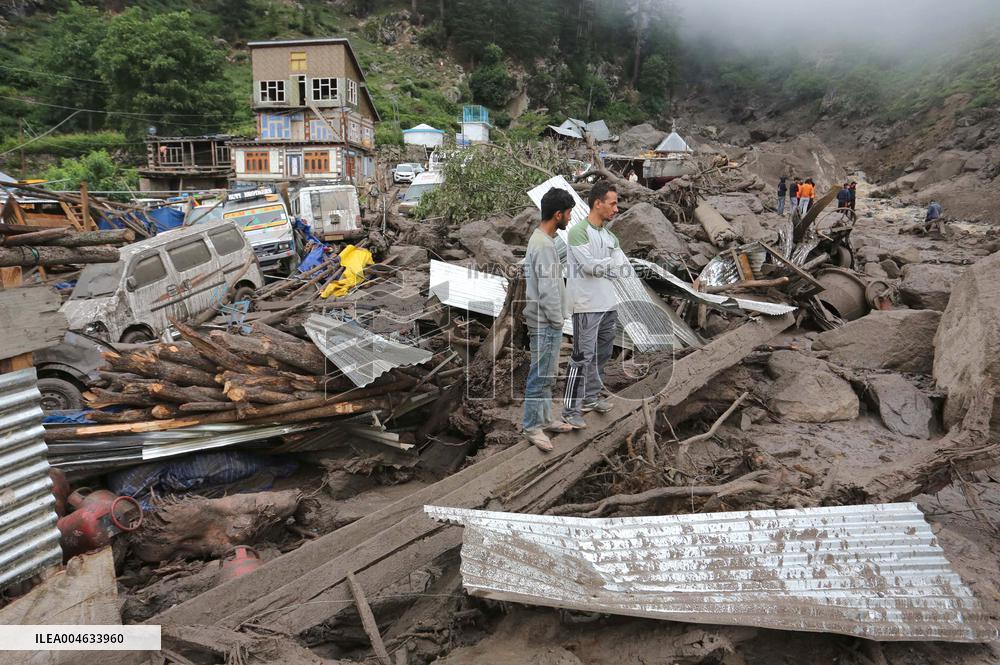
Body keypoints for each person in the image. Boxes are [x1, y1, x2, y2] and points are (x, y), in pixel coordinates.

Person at [561, 181, 626, 430]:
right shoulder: (578, 232)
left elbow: (620, 268)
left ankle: (591, 398)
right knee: (581, 357)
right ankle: (570, 410)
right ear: (598, 203)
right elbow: (589, 267)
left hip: (608, 304)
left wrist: (604, 264)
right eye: (613, 203)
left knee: (603, 354)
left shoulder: (610, 236)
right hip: (586, 305)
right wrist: (607, 263)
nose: (616, 209)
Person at [522, 188, 575, 451]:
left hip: (545, 320)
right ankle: (532, 426)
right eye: (568, 213)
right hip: (544, 322)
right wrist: (556, 321)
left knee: (547, 375)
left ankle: (543, 419)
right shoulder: (543, 245)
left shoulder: (543, 240)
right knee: (540, 375)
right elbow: (548, 290)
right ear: (558, 215)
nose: (570, 217)